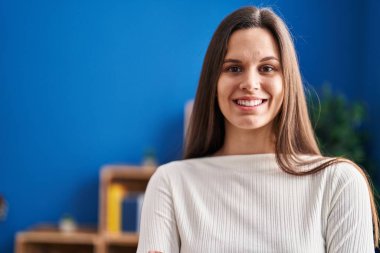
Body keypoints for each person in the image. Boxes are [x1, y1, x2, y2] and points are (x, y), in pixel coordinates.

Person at [137, 6, 379, 253]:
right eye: (233, 68)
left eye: (267, 68)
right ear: (213, 82)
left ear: (287, 82)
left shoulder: (339, 183)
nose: (250, 84)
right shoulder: (170, 183)